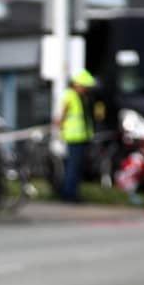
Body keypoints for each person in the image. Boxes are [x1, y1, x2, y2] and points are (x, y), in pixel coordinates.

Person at [55, 69, 95, 203]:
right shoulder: (70, 95)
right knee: (73, 167)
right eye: (84, 86)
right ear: (78, 84)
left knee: (76, 167)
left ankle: (71, 192)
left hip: (82, 136)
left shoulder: (80, 97)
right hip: (74, 137)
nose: (86, 89)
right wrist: (60, 127)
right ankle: (69, 193)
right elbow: (62, 114)